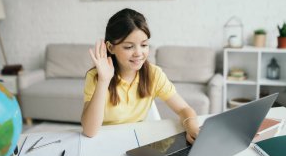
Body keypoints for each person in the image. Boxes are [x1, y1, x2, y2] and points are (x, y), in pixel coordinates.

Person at [81, 8, 200, 143]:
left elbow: (183, 108)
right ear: (110, 48)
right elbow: (89, 131)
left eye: (144, 45)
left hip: (137, 141)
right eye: (128, 47)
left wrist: (192, 126)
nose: (138, 53)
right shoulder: (96, 77)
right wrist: (104, 81)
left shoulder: (153, 74)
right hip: (104, 140)